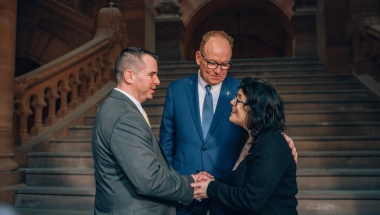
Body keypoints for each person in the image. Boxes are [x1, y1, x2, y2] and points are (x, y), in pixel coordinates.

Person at [160, 30, 297, 215]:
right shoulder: (176, 90)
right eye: (212, 63)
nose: (218, 70)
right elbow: (167, 143)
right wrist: (173, 183)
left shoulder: (242, 91)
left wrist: (281, 136)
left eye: (225, 64)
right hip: (187, 187)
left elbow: (260, 123)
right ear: (198, 57)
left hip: (228, 193)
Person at [92, 47, 209, 215]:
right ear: (129, 76)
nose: (158, 81)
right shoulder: (124, 116)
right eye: (151, 74)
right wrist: (190, 185)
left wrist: (187, 179)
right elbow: (149, 180)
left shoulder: (121, 108)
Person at [192, 77, 298, 215]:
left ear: (255, 109)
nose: (232, 102)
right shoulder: (246, 138)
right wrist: (211, 181)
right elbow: (237, 182)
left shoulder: (272, 145)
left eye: (239, 99)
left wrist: (211, 188)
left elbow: (252, 200)